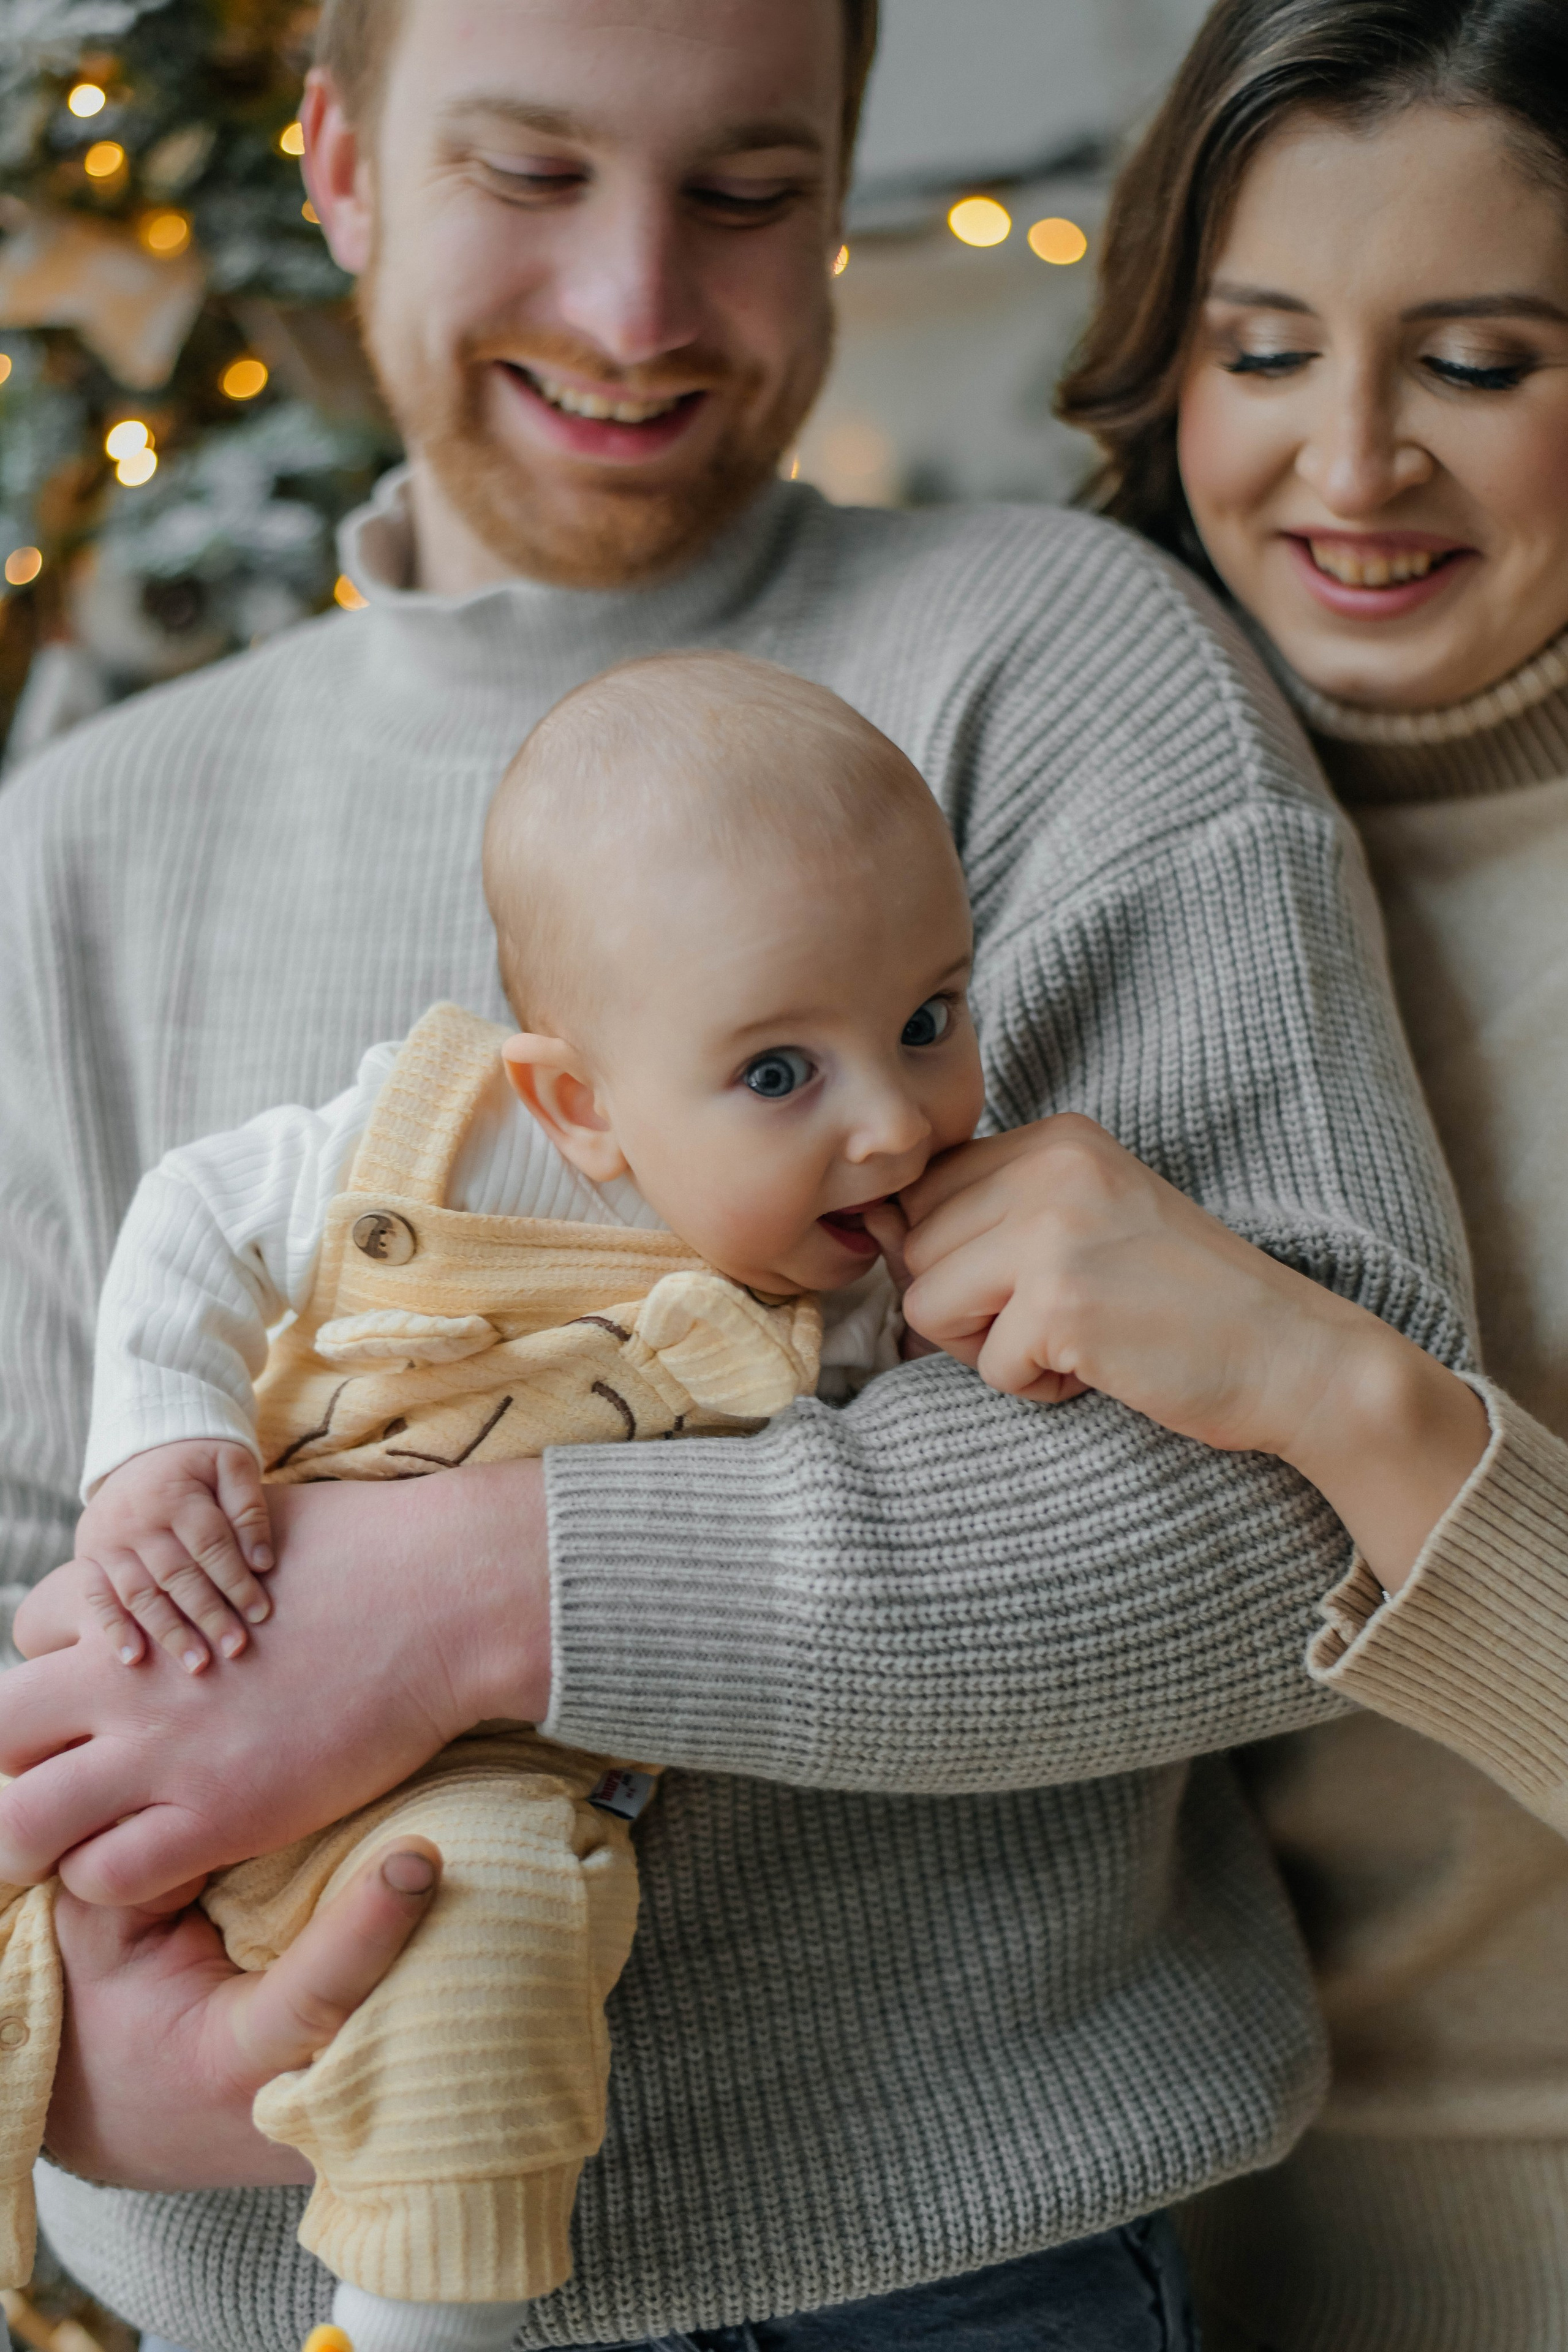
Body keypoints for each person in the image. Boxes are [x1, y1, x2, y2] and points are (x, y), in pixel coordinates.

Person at [0, 1, 1472, 2346]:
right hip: (244, 2273)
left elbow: (1292, 1520)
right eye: (527, 176)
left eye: (751, 194)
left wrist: (484, 1595)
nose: (634, 310)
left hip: (951, 2270)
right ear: (340, 163)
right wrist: (80, 2058)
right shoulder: (83, 839)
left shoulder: (1059, 660)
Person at [6, 654, 974, 2352]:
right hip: (210, 1612)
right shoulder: (431, 1142)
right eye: (777, 1074)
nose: (895, 1124)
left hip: (492, 1772)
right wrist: (158, 1441)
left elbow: (936, 1498)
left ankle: (409, 2327)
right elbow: (194, 1215)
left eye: (929, 1019)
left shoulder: (895, 1247)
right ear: (576, 1104)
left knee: (489, 1926)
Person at [947, 0, 1568, 2343]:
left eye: (1484, 361)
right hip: (1064, 2261)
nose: (1351, 461)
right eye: (1265, 348)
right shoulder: (1001, 840)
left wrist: (1342, 1391)